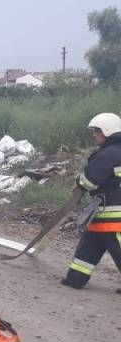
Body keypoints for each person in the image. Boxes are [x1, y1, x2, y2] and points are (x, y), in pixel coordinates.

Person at [61, 112, 121, 292]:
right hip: (102, 212)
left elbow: (89, 181)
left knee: (114, 248)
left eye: (97, 131)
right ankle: (75, 278)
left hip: (113, 216)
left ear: (108, 130)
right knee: (90, 245)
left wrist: (78, 181)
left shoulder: (109, 153)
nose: (94, 135)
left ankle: (75, 279)